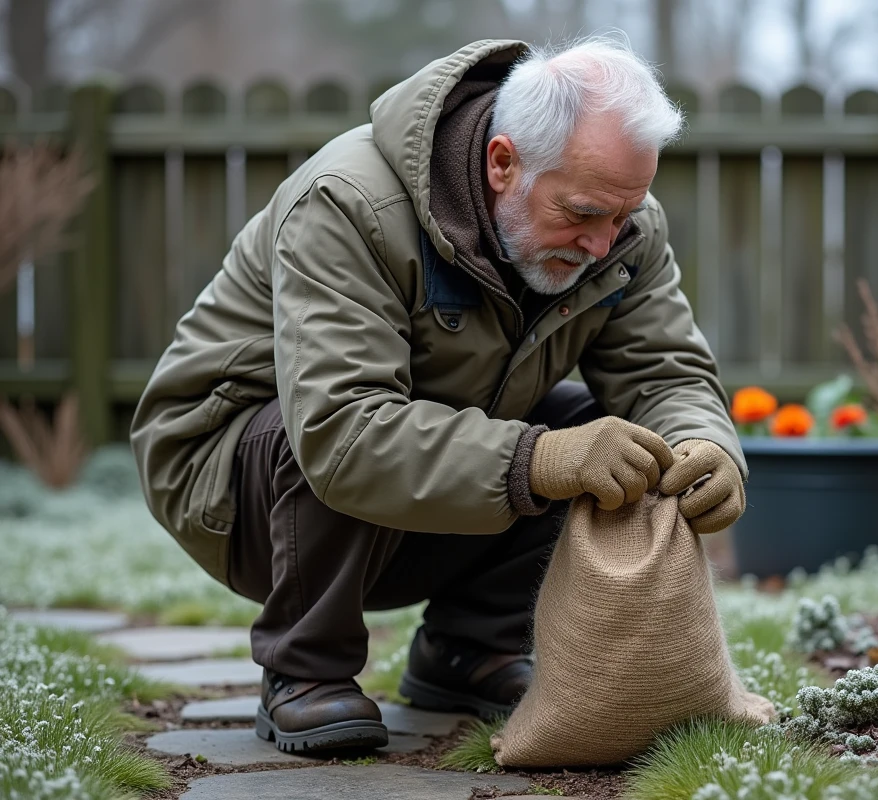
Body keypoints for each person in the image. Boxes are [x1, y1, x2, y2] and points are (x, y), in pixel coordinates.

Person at [130, 35, 747, 754]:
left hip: (412, 497)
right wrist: (541, 459)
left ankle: (465, 651)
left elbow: (665, 372)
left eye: (622, 216)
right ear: (502, 162)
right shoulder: (350, 203)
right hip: (235, 486)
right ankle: (305, 669)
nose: (604, 245)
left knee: (602, 435)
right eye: (582, 215)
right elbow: (341, 432)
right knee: (354, 429)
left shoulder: (620, 226)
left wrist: (705, 443)